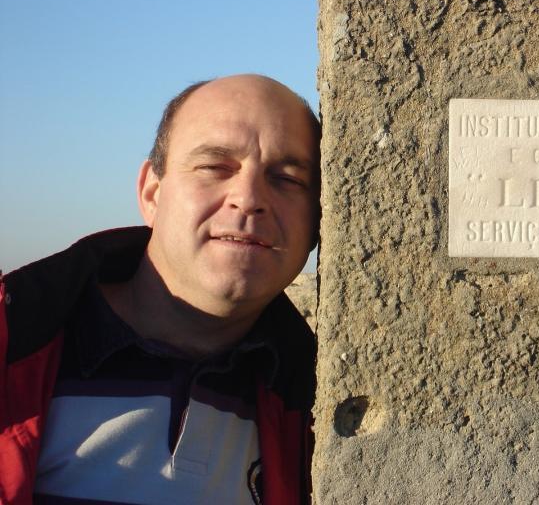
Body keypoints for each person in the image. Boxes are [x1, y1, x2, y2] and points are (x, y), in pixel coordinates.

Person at [0, 74, 320, 505]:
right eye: (214, 166)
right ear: (152, 192)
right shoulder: (15, 344)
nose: (248, 198)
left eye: (286, 178)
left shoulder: (317, 406)